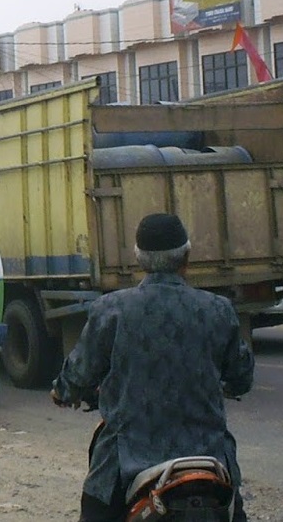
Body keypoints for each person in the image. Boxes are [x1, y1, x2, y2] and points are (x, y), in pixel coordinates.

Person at [50, 213, 253, 522]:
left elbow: (79, 373)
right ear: (186, 257)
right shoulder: (218, 310)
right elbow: (242, 376)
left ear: (139, 260)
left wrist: (64, 391)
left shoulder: (111, 309)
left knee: (95, 510)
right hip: (208, 454)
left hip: (128, 460)